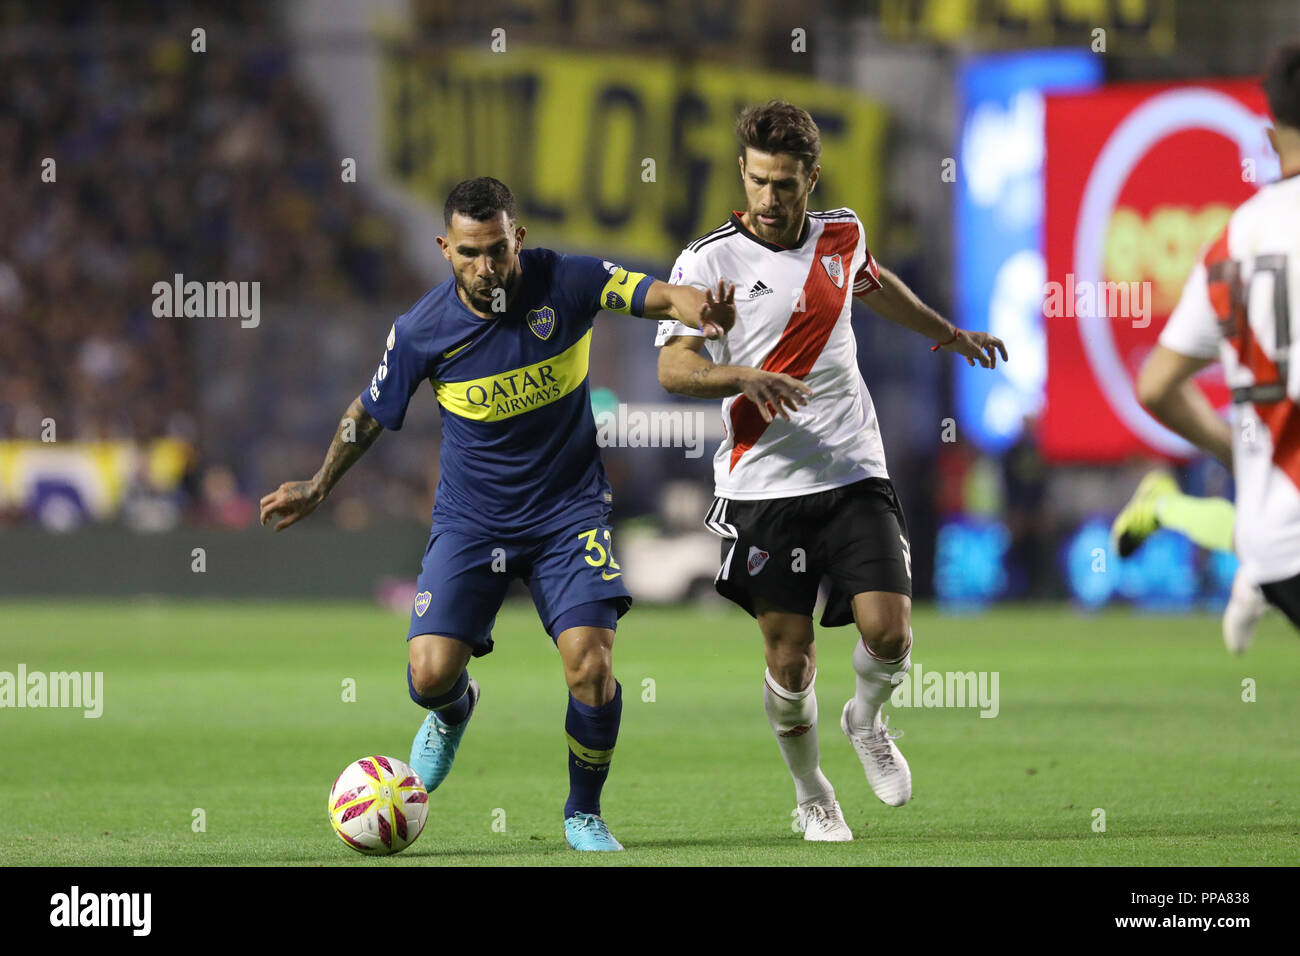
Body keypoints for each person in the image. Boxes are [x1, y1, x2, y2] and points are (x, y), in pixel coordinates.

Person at [259, 177, 734, 852]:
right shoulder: (422, 330)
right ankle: (454, 711)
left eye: (497, 252)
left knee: (590, 666)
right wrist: (318, 484)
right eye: (469, 254)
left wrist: (695, 305)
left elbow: (650, 292)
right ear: (444, 247)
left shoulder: (565, 281)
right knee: (429, 675)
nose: (486, 269)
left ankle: (583, 813)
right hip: (472, 522)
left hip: (568, 513)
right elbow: (367, 414)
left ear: (519, 239)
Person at [654, 102, 1006, 841]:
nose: (770, 199)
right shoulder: (704, 262)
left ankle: (867, 720)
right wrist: (742, 374)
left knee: (890, 632)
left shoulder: (842, 235)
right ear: (742, 174)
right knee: (791, 661)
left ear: (811, 178)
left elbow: (872, 285)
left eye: (785, 185)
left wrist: (948, 334)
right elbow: (673, 369)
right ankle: (812, 791)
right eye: (758, 182)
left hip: (852, 469)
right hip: (763, 486)